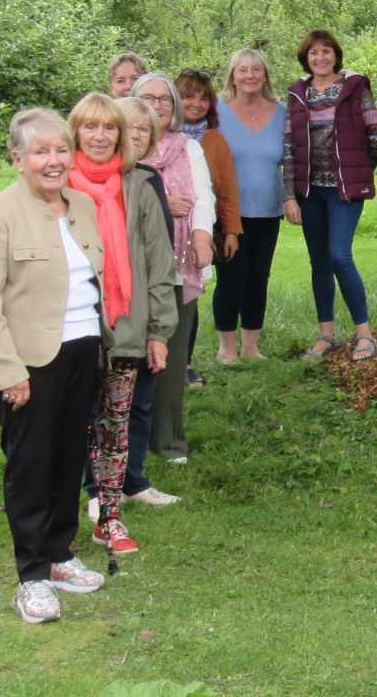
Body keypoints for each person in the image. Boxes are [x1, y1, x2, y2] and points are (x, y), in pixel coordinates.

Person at [0, 108, 110, 623]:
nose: (53, 161)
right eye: (41, 152)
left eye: (60, 149)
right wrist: (7, 373)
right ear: (17, 159)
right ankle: (32, 577)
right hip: (29, 362)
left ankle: (60, 555)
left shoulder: (82, 205)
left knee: (69, 460)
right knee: (31, 466)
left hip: (82, 351)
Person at [66, 93, 178, 557]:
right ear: (74, 133)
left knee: (115, 426)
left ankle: (109, 517)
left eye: (108, 128)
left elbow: (159, 262)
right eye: (89, 127)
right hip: (70, 330)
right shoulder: (56, 185)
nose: (99, 136)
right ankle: (54, 515)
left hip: (128, 328)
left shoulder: (139, 186)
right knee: (68, 424)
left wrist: (158, 332)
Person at [283, 29, 377, 361]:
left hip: (344, 191)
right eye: (314, 52)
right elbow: (288, 148)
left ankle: (365, 335)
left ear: (336, 55)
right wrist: (289, 195)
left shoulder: (355, 88)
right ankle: (327, 335)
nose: (321, 57)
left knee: (340, 256)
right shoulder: (298, 94)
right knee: (319, 262)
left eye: (326, 51)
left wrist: (357, 173)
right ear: (306, 58)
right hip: (310, 191)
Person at [131, 72, 216, 462]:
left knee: (173, 354)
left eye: (165, 99)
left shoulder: (188, 147)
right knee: (130, 354)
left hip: (180, 263)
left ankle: (168, 440)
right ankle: (126, 440)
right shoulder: (124, 147)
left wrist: (201, 236)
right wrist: (167, 202)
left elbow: (202, 196)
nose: (158, 105)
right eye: (148, 98)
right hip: (132, 266)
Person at [110, 95, 182, 509]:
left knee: (141, 400)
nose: (136, 134)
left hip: (147, 308)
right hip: (110, 314)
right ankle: (95, 489)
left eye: (144, 129)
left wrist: (160, 323)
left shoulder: (150, 178)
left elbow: (162, 255)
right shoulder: (88, 181)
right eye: (129, 126)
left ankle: (133, 481)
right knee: (101, 409)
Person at [213, 49, 286, 363]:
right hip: (227, 211)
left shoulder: (282, 112)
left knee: (259, 277)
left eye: (256, 70)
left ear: (265, 75)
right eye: (243, 70)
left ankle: (252, 347)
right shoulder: (216, 111)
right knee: (231, 278)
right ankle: (226, 349)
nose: (250, 76)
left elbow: (293, 159)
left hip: (268, 210)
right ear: (233, 75)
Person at [176, 68, 243, 383]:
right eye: (189, 96)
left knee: (190, 295)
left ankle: (185, 364)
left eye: (204, 98)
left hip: (202, 229)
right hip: (165, 228)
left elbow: (227, 189)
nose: (196, 103)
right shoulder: (157, 136)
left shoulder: (215, 140)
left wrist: (230, 231)